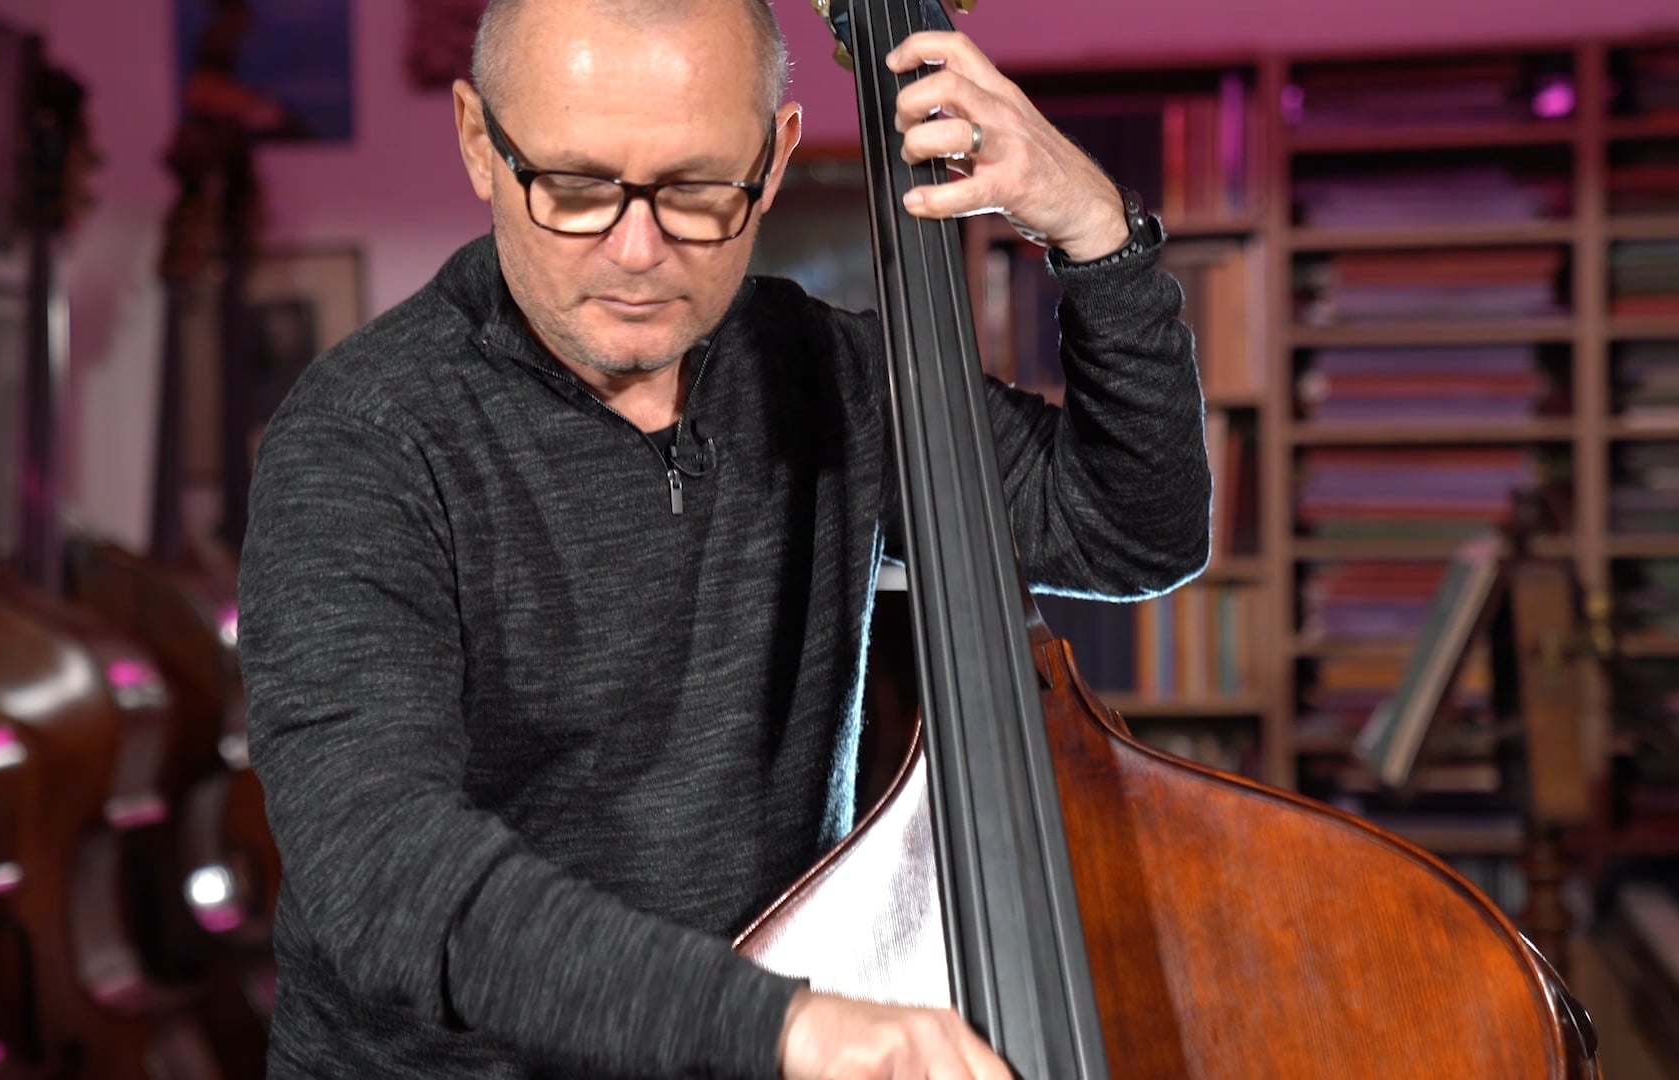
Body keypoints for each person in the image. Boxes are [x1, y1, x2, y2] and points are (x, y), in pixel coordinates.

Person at [237, 0, 1212, 1076]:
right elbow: (383, 868)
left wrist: (1098, 237)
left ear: (775, 156)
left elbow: (1136, 532)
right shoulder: (362, 440)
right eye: (575, 187)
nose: (638, 250)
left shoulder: (836, 376)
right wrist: (786, 1028)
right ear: (478, 140)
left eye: (699, 189)